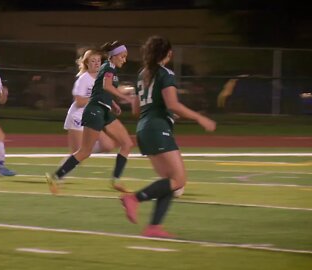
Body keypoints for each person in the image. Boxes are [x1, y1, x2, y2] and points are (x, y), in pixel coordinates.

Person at [120, 36, 216, 238]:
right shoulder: (165, 73)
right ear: (168, 53)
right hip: (157, 128)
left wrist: (163, 111)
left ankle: (154, 227)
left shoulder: (142, 74)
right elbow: (172, 104)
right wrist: (199, 117)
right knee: (179, 180)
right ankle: (134, 199)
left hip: (144, 129)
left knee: (168, 181)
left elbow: (136, 110)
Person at [46, 41, 134, 194]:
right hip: (95, 111)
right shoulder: (107, 67)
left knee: (127, 143)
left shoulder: (109, 68)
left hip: (104, 111)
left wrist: (113, 103)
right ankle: (56, 176)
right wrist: (126, 98)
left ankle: (116, 180)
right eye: (123, 56)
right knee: (84, 151)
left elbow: (101, 89)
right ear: (114, 56)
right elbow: (107, 87)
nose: (124, 60)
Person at [64, 49, 115, 153]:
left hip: (91, 117)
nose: (96, 63)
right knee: (76, 155)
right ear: (87, 63)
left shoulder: (101, 79)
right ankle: (66, 166)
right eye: (93, 61)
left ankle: (86, 150)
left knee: (107, 145)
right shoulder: (83, 79)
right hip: (77, 117)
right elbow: (79, 102)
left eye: (98, 60)